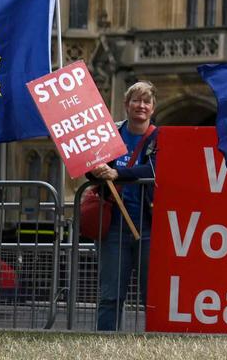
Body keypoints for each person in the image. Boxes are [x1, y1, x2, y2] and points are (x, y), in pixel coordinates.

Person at [89, 80, 159, 331]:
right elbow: (93, 168)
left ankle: (156, 345)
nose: (141, 105)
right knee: (110, 295)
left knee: (151, 297)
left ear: (152, 108)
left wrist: (118, 173)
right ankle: (104, 346)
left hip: (149, 227)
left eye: (146, 101)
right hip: (115, 226)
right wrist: (96, 169)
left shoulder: (159, 138)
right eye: (136, 101)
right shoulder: (111, 134)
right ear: (126, 104)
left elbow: (154, 169)